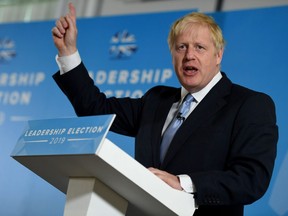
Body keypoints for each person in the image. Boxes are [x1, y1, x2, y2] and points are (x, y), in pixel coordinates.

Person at [52, 3, 278, 216]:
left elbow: (252, 179)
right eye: (182, 47)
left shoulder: (249, 104)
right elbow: (95, 108)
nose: (189, 55)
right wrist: (68, 52)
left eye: (200, 47)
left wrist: (183, 183)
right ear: (172, 54)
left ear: (218, 55)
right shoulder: (155, 100)